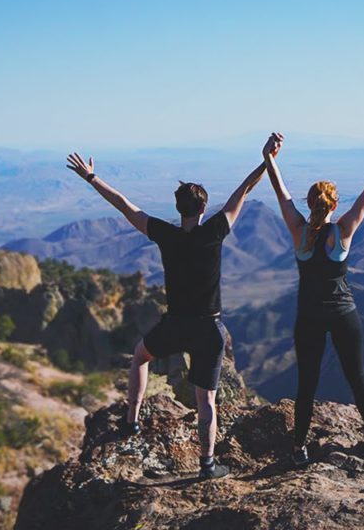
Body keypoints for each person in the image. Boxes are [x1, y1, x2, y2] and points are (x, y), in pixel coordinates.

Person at [66, 136, 277, 480]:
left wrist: (91, 178)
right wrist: (267, 159)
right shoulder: (214, 230)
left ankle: (131, 421)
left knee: (140, 356)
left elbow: (124, 204)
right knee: (205, 401)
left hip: (176, 324)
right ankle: (207, 465)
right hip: (209, 328)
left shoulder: (166, 234)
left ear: (178, 208)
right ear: (203, 208)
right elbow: (244, 190)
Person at [262, 126, 364, 466]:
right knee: (356, 376)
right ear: (334, 204)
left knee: (307, 384)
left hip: (309, 317)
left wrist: (269, 158)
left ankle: (299, 447)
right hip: (344, 314)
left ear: (309, 203)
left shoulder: (299, 230)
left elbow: (280, 192)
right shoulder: (342, 231)